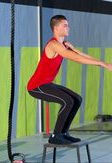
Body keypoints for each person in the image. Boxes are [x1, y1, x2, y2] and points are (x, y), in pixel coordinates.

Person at [27, 15, 112, 145]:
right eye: (64, 25)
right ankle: (55, 135)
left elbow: (79, 55)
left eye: (68, 25)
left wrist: (104, 63)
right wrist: (102, 64)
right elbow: (75, 59)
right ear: (56, 28)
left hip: (47, 84)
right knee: (67, 101)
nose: (68, 27)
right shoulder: (54, 45)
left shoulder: (64, 44)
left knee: (77, 99)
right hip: (36, 86)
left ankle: (63, 133)